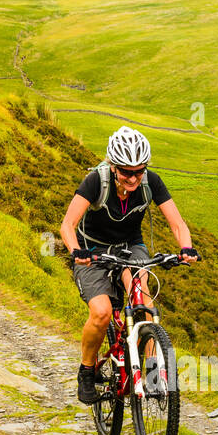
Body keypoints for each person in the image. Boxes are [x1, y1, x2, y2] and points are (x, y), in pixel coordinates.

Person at [60, 125, 198, 403]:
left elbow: (177, 223)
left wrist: (185, 248)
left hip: (129, 247)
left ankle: (150, 371)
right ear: (113, 166)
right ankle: (87, 372)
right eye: (126, 171)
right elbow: (68, 224)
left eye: (139, 170)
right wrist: (77, 252)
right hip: (92, 249)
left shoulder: (151, 182)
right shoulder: (96, 181)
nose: (133, 177)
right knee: (100, 312)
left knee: (143, 301)